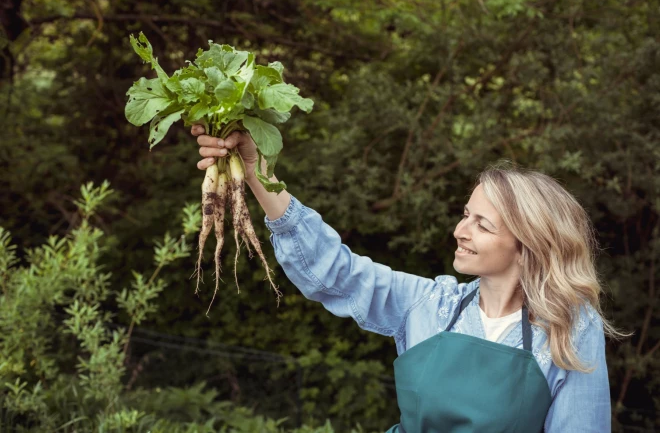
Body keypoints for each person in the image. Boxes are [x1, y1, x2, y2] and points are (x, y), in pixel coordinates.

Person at [192, 125, 629, 432]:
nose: (460, 230)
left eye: (483, 224)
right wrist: (255, 170)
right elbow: (334, 271)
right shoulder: (429, 305)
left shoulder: (570, 329)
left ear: (528, 243)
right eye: (465, 215)